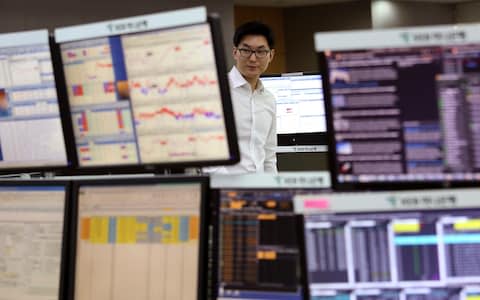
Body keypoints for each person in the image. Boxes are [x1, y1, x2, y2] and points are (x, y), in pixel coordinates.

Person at [207, 21, 277, 174]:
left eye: (260, 51)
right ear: (235, 52)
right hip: (225, 189)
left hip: (261, 190)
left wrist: (273, 191)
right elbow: (208, 154)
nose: (253, 59)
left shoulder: (269, 99)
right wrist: (228, 189)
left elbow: (269, 156)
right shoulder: (216, 90)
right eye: (246, 50)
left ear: (270, 55)